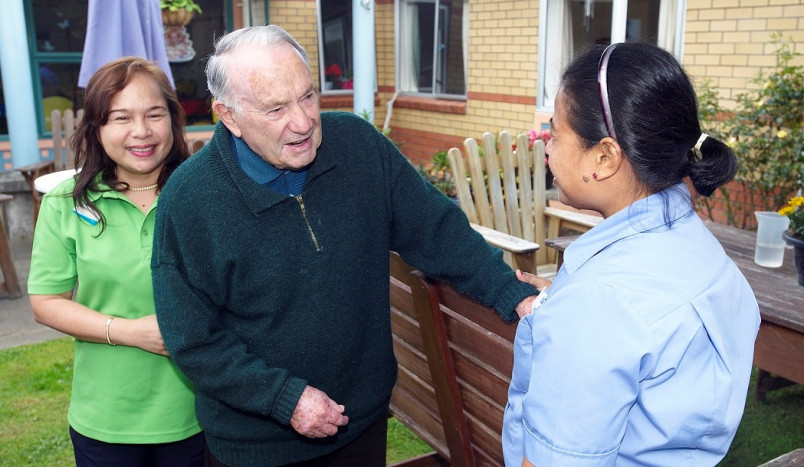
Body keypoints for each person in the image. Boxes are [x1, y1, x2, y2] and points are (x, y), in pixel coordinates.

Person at [150, 25, 538, 466]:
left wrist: (513, 294)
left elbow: (437, 230)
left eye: (308, 96)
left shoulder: (359, 145)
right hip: (256, 448)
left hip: (362, 424)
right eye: (276, 108)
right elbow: (193, 340)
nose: (302, 122)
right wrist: (284, 398)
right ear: (229, 116)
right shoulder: (189, 200)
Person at [503, 42, 761, 466]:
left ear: (604, 156)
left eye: (556, 132)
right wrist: (566, 301)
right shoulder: (701, 250)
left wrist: (580, 310)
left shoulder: (600, 302)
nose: (546, 146)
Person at [28, 57, 204, 466]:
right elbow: (45, 302)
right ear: (97, 127)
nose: (140, 132)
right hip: (105, 419)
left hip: (198, 414)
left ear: (173, 121)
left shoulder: (205, 194)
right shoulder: (65, 203)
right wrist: (129, 332)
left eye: (154, 114)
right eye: (121, 117)